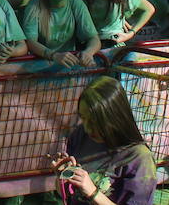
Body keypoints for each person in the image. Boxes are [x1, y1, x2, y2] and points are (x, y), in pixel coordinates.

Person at [53, 76, 158, 205]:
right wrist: (62, 177)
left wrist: (93, 192)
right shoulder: (80, 135)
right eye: (83, 118)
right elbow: (65, 195)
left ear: (114, 117)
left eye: (94, 121)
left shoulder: (140, 159)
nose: (87, 128)